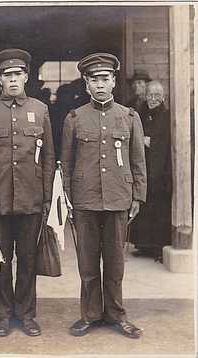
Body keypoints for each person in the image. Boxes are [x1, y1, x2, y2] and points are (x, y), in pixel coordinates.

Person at [61, 53, 147, 339]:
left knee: (115, 262)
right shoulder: (74, 118)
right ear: (86, 84)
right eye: (94, 79)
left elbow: (138, 162)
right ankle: (90, 315)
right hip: (84, 199)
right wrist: (68, 197)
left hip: (119, 196)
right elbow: (67, 162)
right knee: (87, 262)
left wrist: (138, 196)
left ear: (113, 82)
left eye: (105, 79)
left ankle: (116, 315)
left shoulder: (129, 117)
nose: (100, 85)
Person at [0, 49, 55, 337]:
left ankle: (27, 314)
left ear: (26, 77)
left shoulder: (41, 109)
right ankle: (4, 314)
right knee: (1, 259)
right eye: (7, 75)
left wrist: (46, 198)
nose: (13, 79)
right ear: (0, 80)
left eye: (18, 74)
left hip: (31, 197)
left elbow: (48, 158)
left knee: (29, 259)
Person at [130, 80, 171, 262]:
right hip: (145, 166)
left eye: (157, 96)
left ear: (163, 97)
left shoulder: (166, 115)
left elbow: (165, 142)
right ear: (145, 96)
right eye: (150, 95)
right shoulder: (142, 112)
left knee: (158, 209)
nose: (153, 99)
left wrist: (149, 142)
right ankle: (144, 246)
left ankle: (157, 247)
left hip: (160, 168)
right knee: (144, 207)